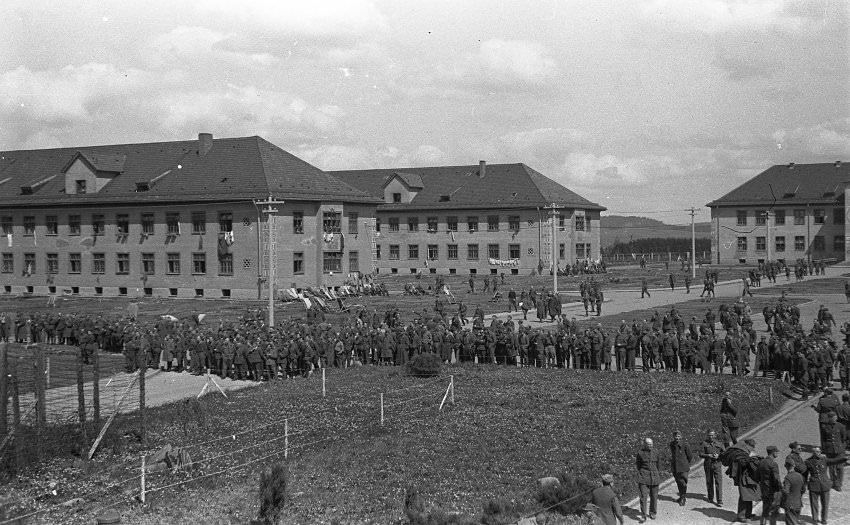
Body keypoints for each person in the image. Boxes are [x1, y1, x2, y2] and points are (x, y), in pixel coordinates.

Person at [635, 437, 660, 523]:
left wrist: (656, 473)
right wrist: (643, 473)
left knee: (654, 496)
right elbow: (638, 465)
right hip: (643, 478)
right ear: (644, 444)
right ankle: (643, 515)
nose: (650, 446)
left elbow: (658, 464)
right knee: (643, 497)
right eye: (648, 444)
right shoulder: (640, 453)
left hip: (654, 477)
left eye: (651, 444)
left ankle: (653, 512)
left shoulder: (656, 452)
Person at [804, 446, 831, 525]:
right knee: (814, 503)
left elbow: (834, 461)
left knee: (825, 503)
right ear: (813, 453)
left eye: (819, 452)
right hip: (814, 484)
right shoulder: (808, 461)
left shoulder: (824, 459)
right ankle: (815, 518)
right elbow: (805, 473)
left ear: (821, 452)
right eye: (815, 452)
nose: (817, 453)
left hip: (825, 485)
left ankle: (824, 519)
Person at [758, 445, 782, 525]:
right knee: (773, 511)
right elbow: (776, 479)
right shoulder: (773, 464)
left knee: (765, 510)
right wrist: (780, 489)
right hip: (772, 491)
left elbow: (757, 476)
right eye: (777, 452)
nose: (777, 453)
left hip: (764, 489)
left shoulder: (762, 462)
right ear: (773, 452)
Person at [700, 429, 725, 506]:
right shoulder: (704, 443)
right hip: (708, 464)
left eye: (712, 435)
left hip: (717, 464)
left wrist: (719, 456)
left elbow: (724, 453)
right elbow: (700, 454)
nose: (711, 437)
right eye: (709, 435)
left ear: (715, 435)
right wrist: (708, 455)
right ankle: (710, 497)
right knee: (709, 481)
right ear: (707, 435)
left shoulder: (720, 444)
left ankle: (719, 500)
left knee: (718, 482)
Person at [669, 430, 693, 506]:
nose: (677, 438)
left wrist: (685, 464)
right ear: (673, 437)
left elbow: (690, 456)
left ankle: (683, 498)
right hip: (675, 467)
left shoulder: (685, 445)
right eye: (675, 436)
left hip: (683, 467)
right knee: (678, 482)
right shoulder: (672, 444)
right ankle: (681, 496)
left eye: (678, 436)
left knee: (683, 483)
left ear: (681, 437)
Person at [781, 458, 806, 525]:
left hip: (790, 505)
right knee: (795, 521)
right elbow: (803, 489)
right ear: (794, 466)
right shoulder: (800, 476)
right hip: (798, 504)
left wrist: (781, 489)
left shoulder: (788, 477)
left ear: (786, 466)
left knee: (791, 523)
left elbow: (786, 491)